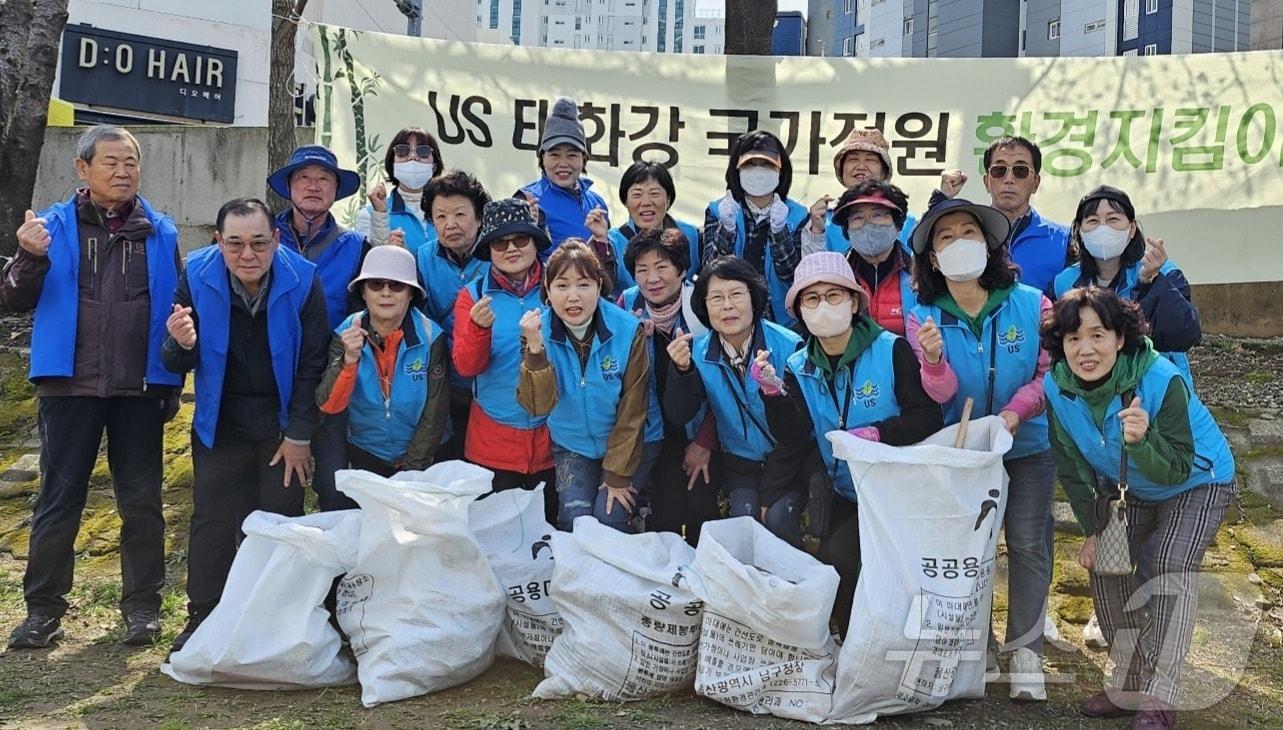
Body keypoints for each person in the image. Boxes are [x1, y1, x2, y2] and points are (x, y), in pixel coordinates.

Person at [2, 125, 181, 649]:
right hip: (68, 385)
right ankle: (42, 611)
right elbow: (12, 299)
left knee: (142, 502)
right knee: (59, 500)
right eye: (111, 162)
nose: (123, 171)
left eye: (131, 162)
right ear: (82, 168)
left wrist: (171, 379)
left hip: (140, 387)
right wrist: (28, 257)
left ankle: (143, 609)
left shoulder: (162, 232)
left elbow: (175, 311)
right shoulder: (50, 228)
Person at [1041, 287, 1236, 730]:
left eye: (1098, 335)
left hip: (1196, 481)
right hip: (1127, 488)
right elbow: (1071, 466)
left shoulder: (1160, 379)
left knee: (1168, 564)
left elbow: (1176, 467)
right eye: (1073, 338)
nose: (1085, 349)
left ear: (1120, 338)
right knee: (1106, 566)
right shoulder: (1056, 386)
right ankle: (1128, 683)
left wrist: (1142, 441)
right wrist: (1094, 527)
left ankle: (1161, 695)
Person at [161, 197, 330, 651]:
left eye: (258, 242)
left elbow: (312, 365)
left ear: (276, 239)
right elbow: (177, 356)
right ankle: (203, 617)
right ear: (218, 242)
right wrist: (179, 345)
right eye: (234, 244)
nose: (247, 255)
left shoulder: (303, 280)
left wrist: (298, 436)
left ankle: (279, 621)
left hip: (280, 423)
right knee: (212, 520)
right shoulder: (195, 276)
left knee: (281, 519)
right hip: (221, 420)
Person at [905, 198, 1054, 701]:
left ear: (989, 245)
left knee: (1030, 545)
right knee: (973, 552)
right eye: (945, 237)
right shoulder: (921, 315)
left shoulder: (1033, 303)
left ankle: (1026, 648)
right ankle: (980, 644)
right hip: (964, 453)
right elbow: (940, 394)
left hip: (1028, 443)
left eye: (969, 231)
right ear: (931, 257)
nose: (959, 242)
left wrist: (1016, 413)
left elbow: (1048, 371)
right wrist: (932, 359)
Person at [756, 252, 942, 637]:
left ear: (855, 302)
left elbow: (927, 418)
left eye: (834, 296)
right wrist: (773, 394)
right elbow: (795, 435)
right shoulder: (797, 365)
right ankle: (851, 649)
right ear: (800, 311)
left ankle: (875, 644)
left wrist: (878, 433)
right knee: (832, 564)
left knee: (842, 557)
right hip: (847, 491)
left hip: (896, 491)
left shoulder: (892, 349)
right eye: (812, 299)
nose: (823, 306)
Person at [663, 256, 805, 547]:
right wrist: (681, 371)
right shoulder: (698, 352)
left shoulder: (789, 346)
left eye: (736, 294)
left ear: (754, 299)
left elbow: (800, 429)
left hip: (791, 461)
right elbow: (679, 414)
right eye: (716, 298)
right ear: (704, 307)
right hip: (741, 463)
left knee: (778, 519)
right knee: (744, 522)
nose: (727, 306)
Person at [516, 241, 652, 532]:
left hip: (631, 442)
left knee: (610, 517)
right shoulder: (534, 331)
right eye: (562, 286)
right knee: (575, 521)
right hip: (572, 444)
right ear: (547, 291)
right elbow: (537, 406)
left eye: (584, 284)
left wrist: (616, 475)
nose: (573, 296)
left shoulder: (627, 329)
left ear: (599, 285)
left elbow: (634, 409)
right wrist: (536, 351)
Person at [268, 144, 369, 511]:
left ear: (335, 190)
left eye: (323, 179)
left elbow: (364, 310)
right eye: (304, 178)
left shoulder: (356, 247)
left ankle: (337, 567)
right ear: (290, 186)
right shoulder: (264, 237)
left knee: (334, 486)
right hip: (270, 379)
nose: (313, 186)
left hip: (330, 380)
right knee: (275, 490)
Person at [452, 198, 558, 523]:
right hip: (492, 444)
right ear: (489, 249)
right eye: (500, 241)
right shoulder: (472, 296)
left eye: (521, 239)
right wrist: (478, 329)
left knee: (550, 541)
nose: (511, 248)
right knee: (495, 542)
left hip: (555, 440)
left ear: (535, 241)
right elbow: (466, 367)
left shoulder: (560, 287)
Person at [617, 229, 719, 544]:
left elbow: (723, 387)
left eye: (661, 267)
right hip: (651, 431)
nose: (652, 278)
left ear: (682, 269)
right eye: (642, 270)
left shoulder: (702, 309)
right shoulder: (628, 304)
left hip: (699, 429)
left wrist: (704, 442)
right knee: (664, 514)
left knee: (699, 506)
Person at [317, 246, 450, 475]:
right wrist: (348, 361)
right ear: (363, 292)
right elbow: (329, 404)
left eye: (397, 285)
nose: (386, 293)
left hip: (425, 459)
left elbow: (435, 410)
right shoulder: (345, 333)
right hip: (367, 453)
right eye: (376, 284)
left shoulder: (431, 336)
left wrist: (412, 470)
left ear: (411, 293)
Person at [1052, 185, 1200, 385]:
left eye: (1113, 219)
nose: (1102, 229)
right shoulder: (1066, 282)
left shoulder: (1163, 270)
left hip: (1159, 385)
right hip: (1096, 388)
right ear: (1080, 230)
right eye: (1093, 221)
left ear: (1131, 229)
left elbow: (1185, 332)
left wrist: (1150, 283)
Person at [416, 170, 492, 460]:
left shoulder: (496, 255)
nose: (451, 225)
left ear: (479, 216)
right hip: (442, 381)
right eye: (440, 217)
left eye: (460, 214)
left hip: (488, 380)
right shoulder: (422, 258)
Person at [702, 130, 806, 327]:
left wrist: (779, 232)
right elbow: (711, 268)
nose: (759, 170)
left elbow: (792, 275)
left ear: (780, 170)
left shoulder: (797, 214)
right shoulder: (719, 210)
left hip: (782, 321)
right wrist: (726, 228)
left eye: (767, 164)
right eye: (750, 164)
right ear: (737, 169)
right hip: (730, 318)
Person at [519, 97, 610, 252]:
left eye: (572, 155)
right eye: (554, 155)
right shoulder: (528, 200)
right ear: (542, 157)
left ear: (584, 159)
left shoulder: (597, 203)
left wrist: (601, 241)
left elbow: (607, 262)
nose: (563, 163)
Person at [809, 127, 918, 256]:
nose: (861, 166)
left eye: (870, 160)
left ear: (884, 171)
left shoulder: (907, 223)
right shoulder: (822, 220)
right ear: (842, 170)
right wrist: (816, 232)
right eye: (853, 159)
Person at [831, 180, 917, 336]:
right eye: (857, 218)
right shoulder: (835, 276)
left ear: (897, 225)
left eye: (877, 215)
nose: (867, 225)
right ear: (847, 230)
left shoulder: (918, 274)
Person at [606, 161, 703, 285]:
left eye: (654, 194)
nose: (646, 202)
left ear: (668, 200)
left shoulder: (692, 236)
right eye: (637, 195)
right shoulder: (612, 242)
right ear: (625, 201)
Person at [356, 127, 445, 253]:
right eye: (403, 151)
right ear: (393, 163)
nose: (413, 157)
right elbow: (370, 264)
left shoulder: (450, 213)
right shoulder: (370, 214)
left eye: (423, 151)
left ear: (434, 165)